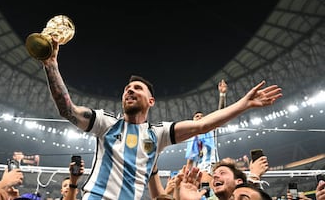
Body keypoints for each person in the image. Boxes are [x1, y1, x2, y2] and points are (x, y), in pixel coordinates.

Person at [40, 37, 282, 200]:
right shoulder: (106, 123)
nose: (130, 90)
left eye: (137, 88)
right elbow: (67, 109)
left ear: (151, 101)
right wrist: (51, 65)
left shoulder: (159, 133)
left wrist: (245, 103)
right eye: (127, 88)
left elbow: (204, 124)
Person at [185, 80, 227, 172]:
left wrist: (222, 95)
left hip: (211, 167)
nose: (200, 117)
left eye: (201, 116)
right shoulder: (191, 137)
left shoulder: (210, 129)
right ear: (193, 120)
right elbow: (190, 159)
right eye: (197, 116)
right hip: (197, 169)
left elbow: (221, 114)